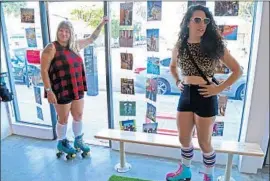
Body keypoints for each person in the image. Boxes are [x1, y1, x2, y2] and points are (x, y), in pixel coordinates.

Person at [166, 5, 242, 181]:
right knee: (184, 138)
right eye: (197, 20)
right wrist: (177, 80)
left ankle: (209, 175)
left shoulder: (214, 45)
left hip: (206, 95)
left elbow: (237, 70)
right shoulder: (180, 45)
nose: (202, 24)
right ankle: (185, 170)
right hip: (186, 95)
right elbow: (171, 66)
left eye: (205, 20)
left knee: (204, 142)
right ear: (188, 22)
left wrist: (218, 89)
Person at [40, 17, 108, 159]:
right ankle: (62, 142)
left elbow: (91, 39)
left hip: (76, 87)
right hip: (60, 89)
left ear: (71, 33)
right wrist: (48, 90)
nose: (64, 34)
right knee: (63, 118)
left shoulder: (74, 46)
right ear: (57, 32)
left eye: (67, 31)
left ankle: (78, 140)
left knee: (78, 115)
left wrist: (101, 23)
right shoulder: (51, 48)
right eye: (61, 31)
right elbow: (44, 71)